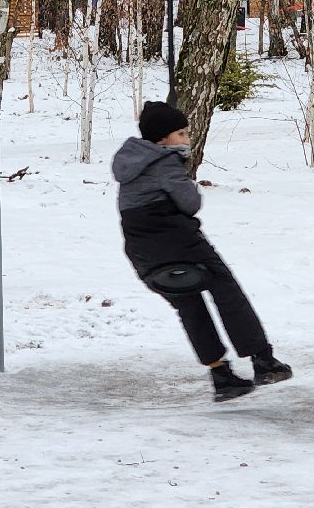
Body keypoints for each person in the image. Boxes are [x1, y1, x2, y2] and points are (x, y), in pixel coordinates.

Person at [111, 101, 292, 401]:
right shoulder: (164, 162)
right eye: (181, 133)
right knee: (226, 291)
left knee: (188, 306)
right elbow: (190, 203)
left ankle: (220, 375)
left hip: (142, 252)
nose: (187, 138)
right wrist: (190, 185)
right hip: (179, 240)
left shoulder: (130, 166)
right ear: (162, 139)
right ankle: (262, 360)